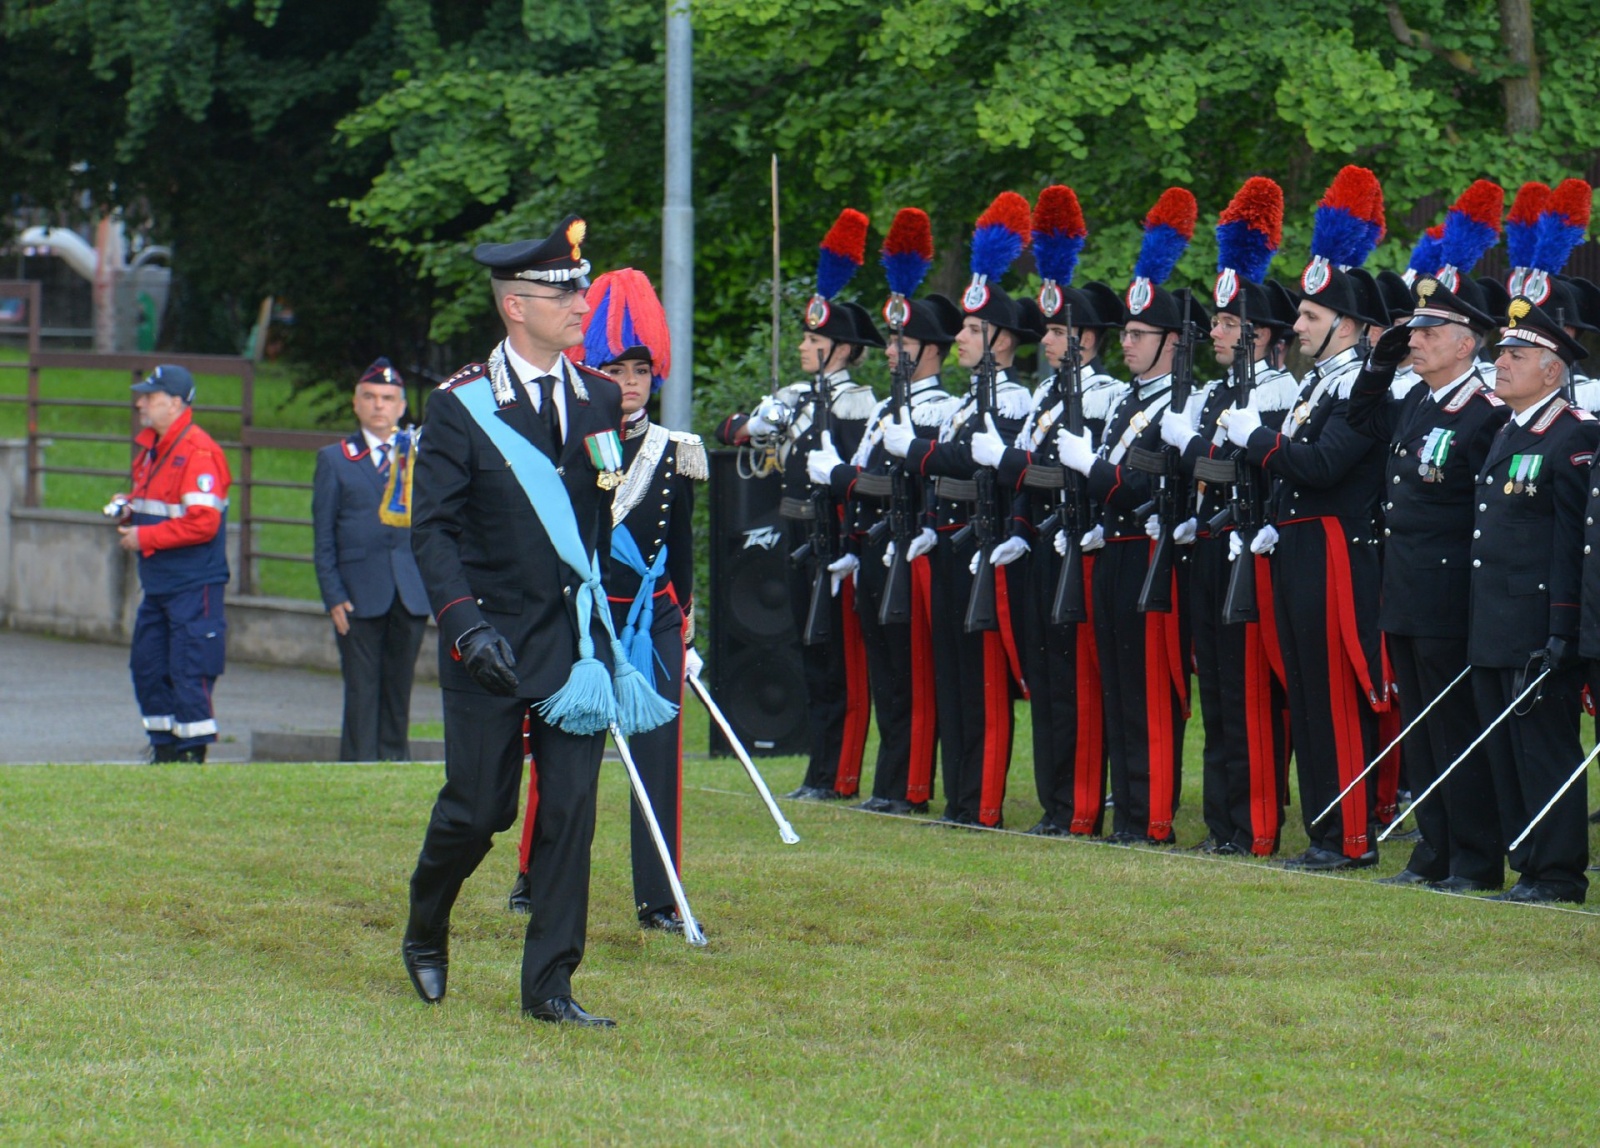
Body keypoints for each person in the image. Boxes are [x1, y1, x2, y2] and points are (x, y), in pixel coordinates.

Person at [403, 215, 668, 1027]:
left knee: (571, 811)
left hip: (573, 643)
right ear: (517, 306)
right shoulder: (459, 406)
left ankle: (550, 983)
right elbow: (432, 530)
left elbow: (592, 520)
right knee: (482, 809)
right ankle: (425, 925)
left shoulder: (595, 396)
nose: (582, 302)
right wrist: (463, 624)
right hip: (487, 637)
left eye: (580, 288)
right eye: (565, 292)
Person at [506, 268, 707, 933]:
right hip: (586, 621)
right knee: (564, 756)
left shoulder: (677, 452)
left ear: (657, 376)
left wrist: (689, 630)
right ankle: (536, 874)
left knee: (660, 764)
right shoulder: (568, 446)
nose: (628, 382)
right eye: (615, 368)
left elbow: (678, 550)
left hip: (652, 621)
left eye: (640, 370)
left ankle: (660, 898)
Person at [1222, 165, 1390, 871]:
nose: (1297, 326)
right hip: (1295, 545)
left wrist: (1257, 440)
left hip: (1334, 550)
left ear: (1347, 325)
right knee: (1305, 691)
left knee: (1335, 693)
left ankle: (1350, 835)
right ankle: (1325, 828)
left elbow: (1323, 467)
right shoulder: (1322, 382)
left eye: (1311, 318)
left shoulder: (1362, 383)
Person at [1348, 256, 1511, 891]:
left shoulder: (1487, 411)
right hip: (1407, 586)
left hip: (1451, 593)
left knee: (1456, 728)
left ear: (1466, 342)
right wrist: (1380, 362)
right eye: (1412, 329)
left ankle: (1474, 860)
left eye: (1427, 331)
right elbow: (1362, 420)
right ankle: (1433, 853)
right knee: (1421, 728)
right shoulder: (1417, 398)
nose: (1412, 338)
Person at [883, 191, 1037, 828]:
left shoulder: (1015, 401)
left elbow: (971, 465)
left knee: (984, 683)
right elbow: (945, 461)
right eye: (964, 329)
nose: (963, 338)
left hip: (987, 542)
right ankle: (958, 794)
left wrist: (918, 452)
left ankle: (985, 801)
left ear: (1001, 337)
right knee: (950, 679)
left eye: (975, 330)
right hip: (946, 542)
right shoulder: (959, 404)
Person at [978, 184, 1127, 837]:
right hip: (1041, 545)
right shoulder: (1042, 397)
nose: (1055, 342)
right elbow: (1032, 481)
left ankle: (1082, 804)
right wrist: (1015, 525)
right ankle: (1056, 800)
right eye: (1050, 332)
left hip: (1084, 546)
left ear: (1091, 339)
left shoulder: (1106, 398)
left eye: (1066, 331)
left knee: (1080, 685)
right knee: (1046, 679)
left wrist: (1015, 470)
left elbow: (1085, 474)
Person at [716, 209, 879, 801]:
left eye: (814, 340)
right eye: (806, 338)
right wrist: (757, 422)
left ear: (839, 347)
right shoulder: (791, 396)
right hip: (795, 540)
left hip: (836, 540)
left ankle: (838, 773)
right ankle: (820, 769)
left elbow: (861, 472)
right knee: (807, 654)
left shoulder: (858, 403)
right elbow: (730, 428)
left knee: (836, 660)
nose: (806, 347)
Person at [1056, 187, 1201, 846]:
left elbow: (1148, 487)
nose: (1129, 344)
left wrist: (1092, 470)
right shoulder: (1121, 404)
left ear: (1172, 340)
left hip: (1151, 554)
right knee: (1115, 687)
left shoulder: (1181, 401)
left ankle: (1154, 817)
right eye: (1127, 334)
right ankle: (1128, 810)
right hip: (1110, 551)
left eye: (1140, 335)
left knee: (1149, 692)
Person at [1159, 177, 1298, 856]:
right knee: (1215, 688)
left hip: (1254, 549)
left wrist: (1195, 452)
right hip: (1211, 546)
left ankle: (1257, 823)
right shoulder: (1220, 391)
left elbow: (1265, 468)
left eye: (1226, 322)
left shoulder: (1278, 389)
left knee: (1250, 697)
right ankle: (1223, 822)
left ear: (1261, 334)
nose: (1214, 331)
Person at [809, 206, 959, 815]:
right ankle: (887, 781)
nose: (892, 349)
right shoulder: (883, 410)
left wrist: (842, 477)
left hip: (907, 545)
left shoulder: (936, 409)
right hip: (870, 547)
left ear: (929, 349)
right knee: (887, 674)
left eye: (902, 341)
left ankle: (910, 784)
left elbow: (907, 486)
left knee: (913, 673)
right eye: (893, 339)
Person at [1475, 296, 1595, 904]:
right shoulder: (1510, 428)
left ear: (1553, 370)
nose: (1500, 363)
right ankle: (1528, 866)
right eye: (1501, 353)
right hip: (1496, 621)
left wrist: (1563, 630)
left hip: (1538, 625)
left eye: (1517, 355)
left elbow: (1574, 542)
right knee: (1507, 754)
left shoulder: (1573, 436)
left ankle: (1558, 873)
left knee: (1544, 752)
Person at [312, 357, 430, 762]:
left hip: (410, 591)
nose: (379, 405)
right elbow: (323, 535)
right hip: (358, 592)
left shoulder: (418, 455)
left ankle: (395, 761)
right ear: (356, 403)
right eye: (370, 397)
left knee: (399, 686)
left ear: (401, 406)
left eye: (388, 398)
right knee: (361, 687)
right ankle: (358, 764)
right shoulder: (336, 459)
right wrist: (332, 594)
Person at [116, 364, 232, 763]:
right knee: (148, 666)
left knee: (189, 668)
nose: (140, 403)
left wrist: (143, 537)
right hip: (162, 581)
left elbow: (203, 522)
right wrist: (129, 510)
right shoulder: (155, 448)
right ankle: (164, 747)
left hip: (192, 582)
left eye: (150, 397)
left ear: (177, 403)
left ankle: (190, 752)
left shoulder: (198, 452)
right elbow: (159, 505)